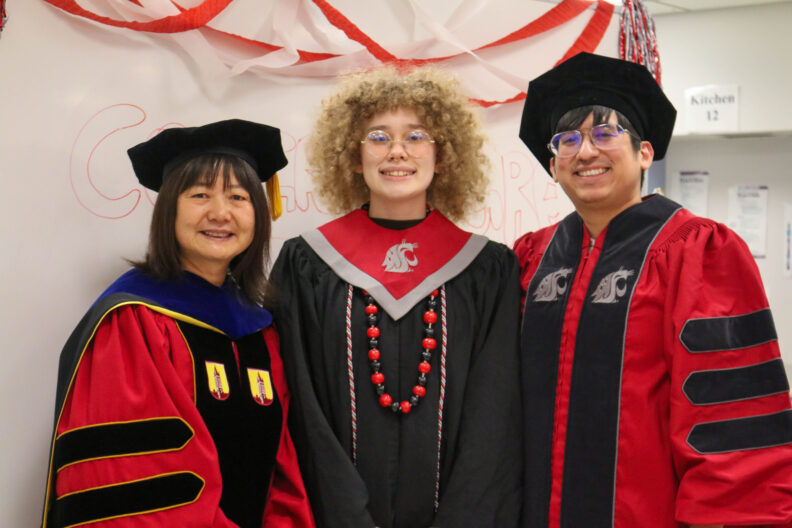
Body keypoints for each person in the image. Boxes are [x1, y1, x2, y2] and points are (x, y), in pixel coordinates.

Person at [514, 52, 792, 528]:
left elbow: (730, 422)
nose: (585, 152)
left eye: (605, 133)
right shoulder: (530, 259)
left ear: (644, 153)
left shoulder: (698, 252)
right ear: (554, 165)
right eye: (568, 140)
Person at [271, 66, 522, 528]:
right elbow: (301, 403)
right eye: (378, 137)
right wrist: (343, 515)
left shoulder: (487, 270)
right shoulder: (306, 264)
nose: (398, 151)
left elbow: (495, 413)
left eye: (417, 136)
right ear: (353, 156)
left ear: (443, 156)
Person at [41, 119, 314, 528]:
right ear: (169, 209)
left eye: (238, 197)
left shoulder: (260, 331)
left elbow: (284, 469)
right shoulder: (133, 322)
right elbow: (139, 483)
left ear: (257, 215)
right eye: (200, 195)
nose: (220, 213)